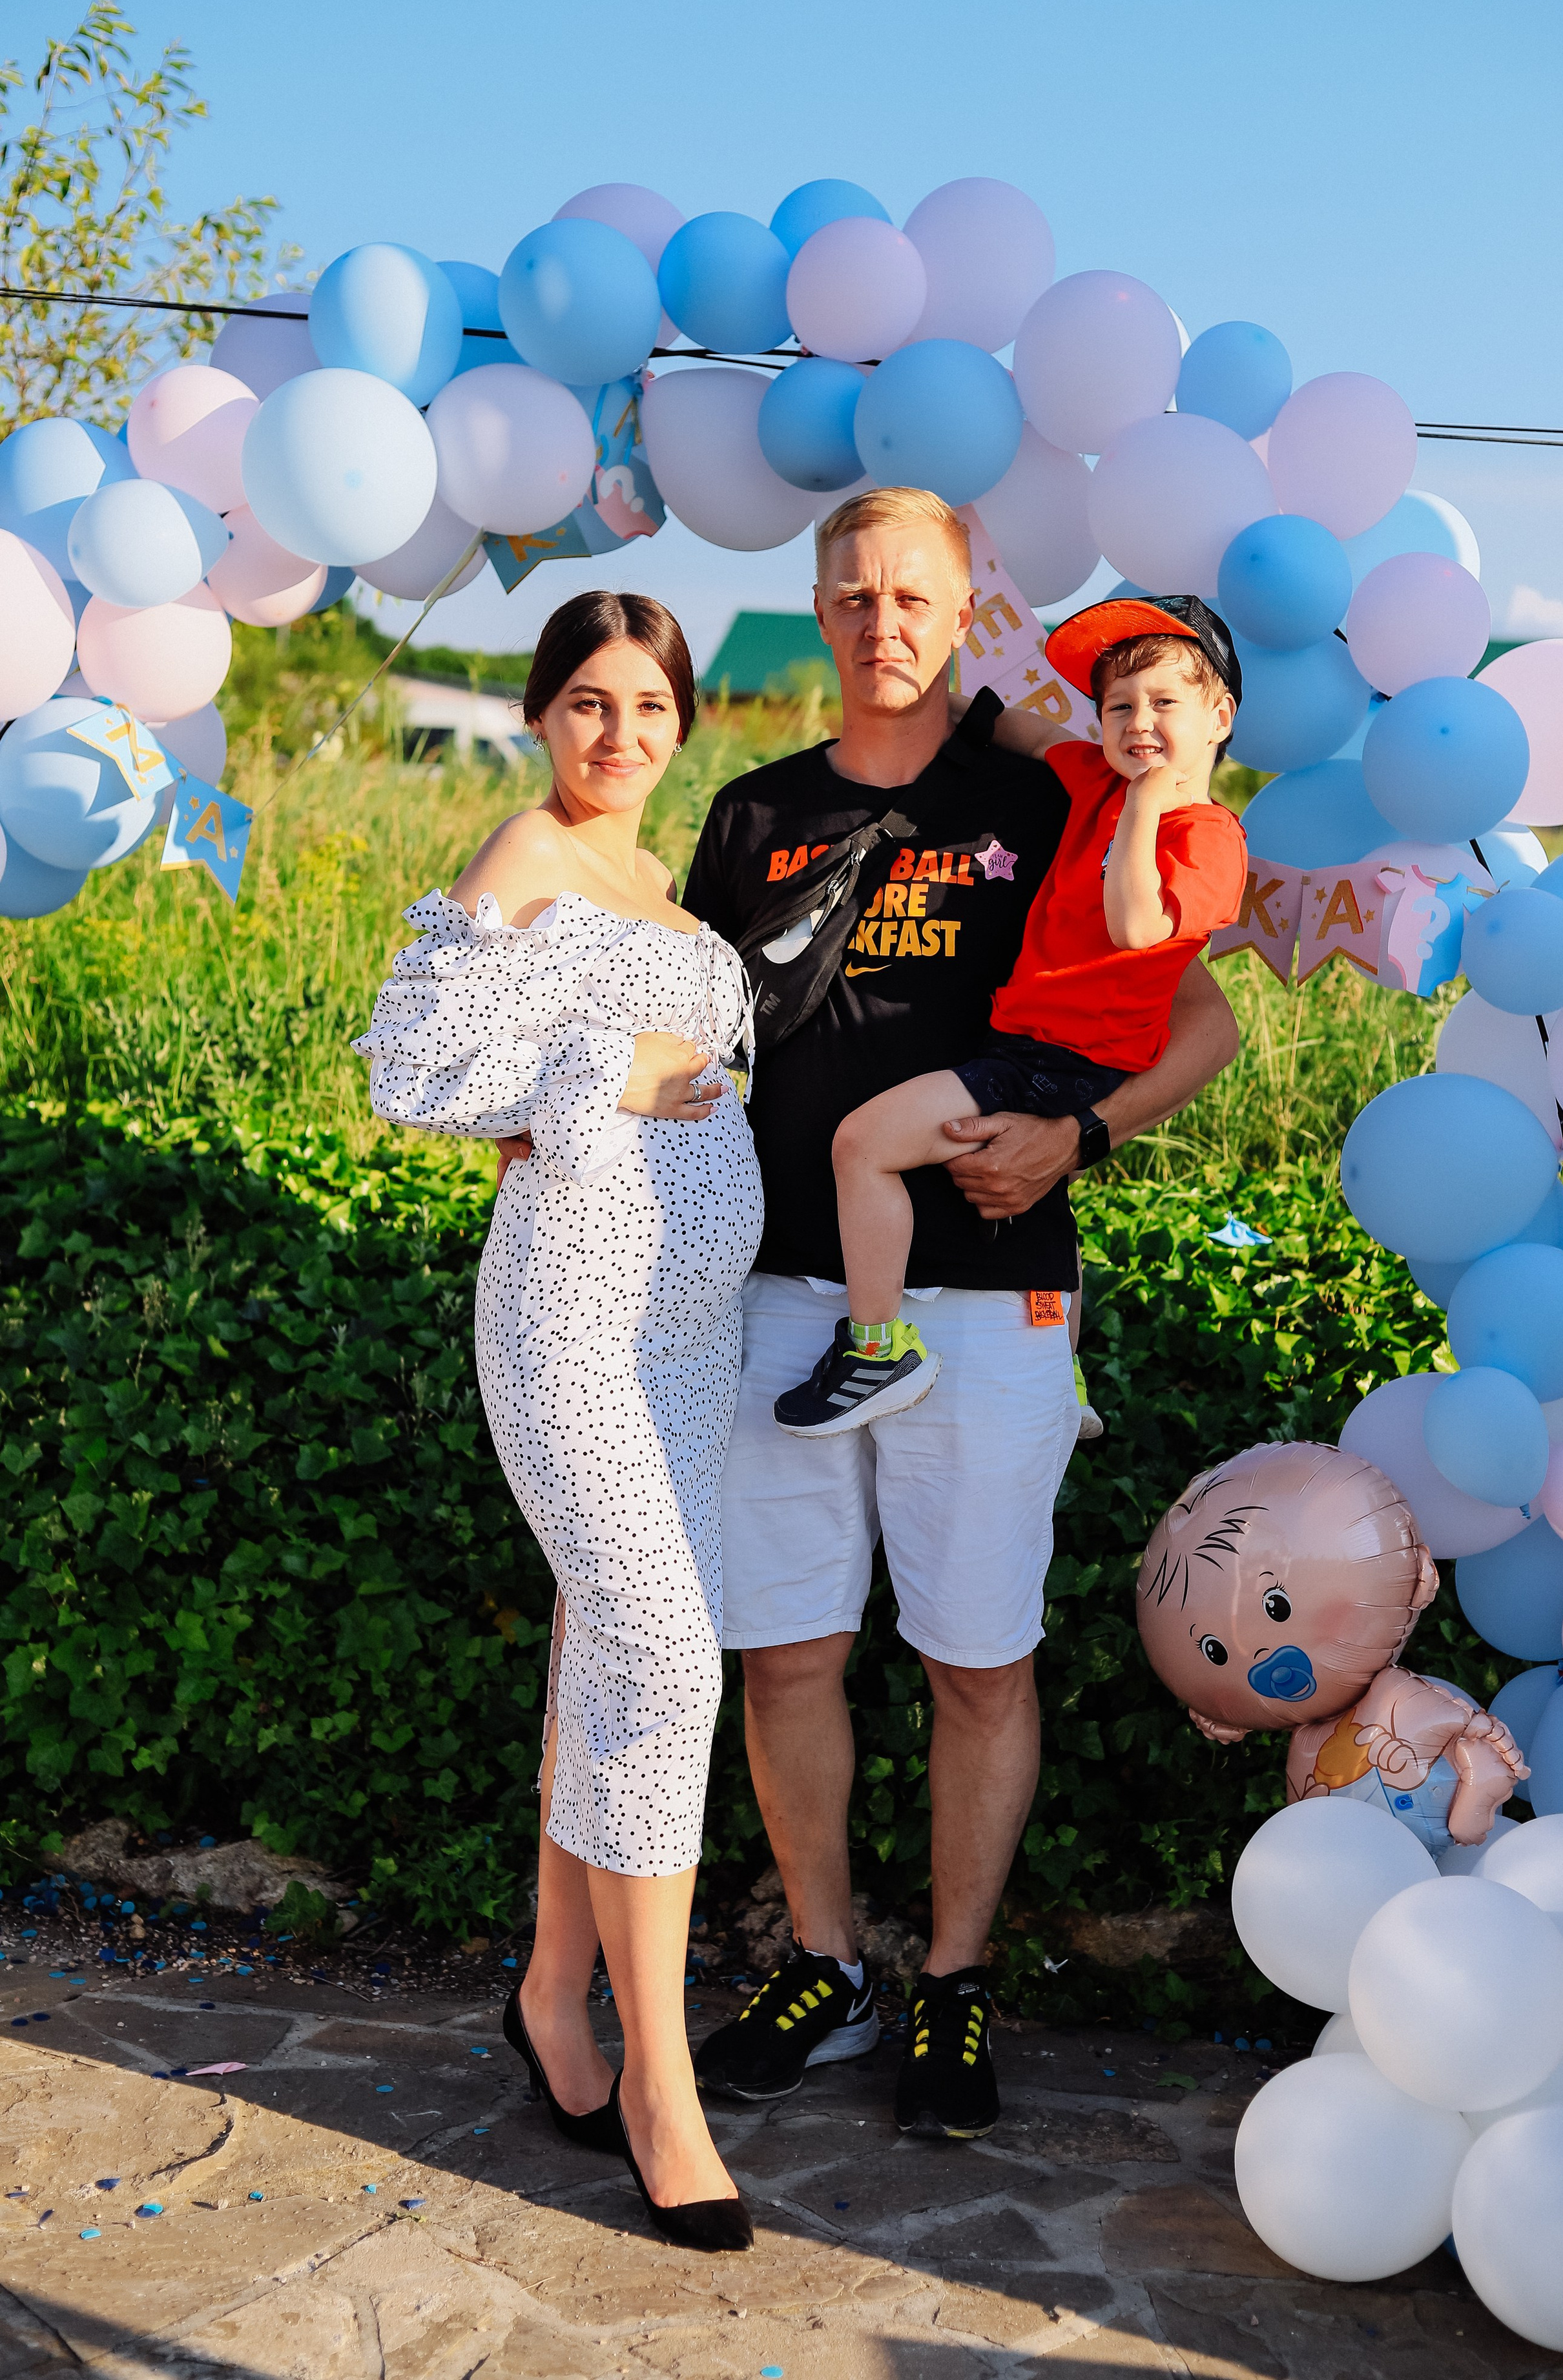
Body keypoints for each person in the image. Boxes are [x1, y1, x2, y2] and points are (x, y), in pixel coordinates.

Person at [682, 489, 1240, 2140]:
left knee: (975, 1660)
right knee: (788, 1655)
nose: (882, 621)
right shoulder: (754, 810)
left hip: (993, 1296)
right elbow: (684, 1030)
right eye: (852, 594)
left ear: (958, 607)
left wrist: (1083, 1135)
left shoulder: (1045, 794)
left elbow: (1197, 1020)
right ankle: (825, 1964)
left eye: (911, 594)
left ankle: (952, 1979)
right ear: (819, 607)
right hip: (787, 1289)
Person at [353, 590, 761, 2253]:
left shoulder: (662, 885)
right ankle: (664, 2085)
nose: (619, 734)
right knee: (669, 1663)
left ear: (681, 725)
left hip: (693, 1335)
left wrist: (660, 1080)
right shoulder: (523, 851)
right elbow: (408, 1069)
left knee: (609, 1652)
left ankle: (549, 1990)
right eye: (589, 701)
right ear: (539, 714)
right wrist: (606, 1073)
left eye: (649, 706)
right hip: (572, 1317)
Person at [772, 594, 1246, 1435]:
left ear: (1220, 717)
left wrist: (1144, 806)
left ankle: (877, 1348)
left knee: (865, 1145)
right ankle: (1065, 1377)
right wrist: (930, 698)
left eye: (1164, 702)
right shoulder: (1094, 778)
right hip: (1038, 1043)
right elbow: (1028, 733)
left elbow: (1136, 926)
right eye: (1119, 706)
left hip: (1066, 1058)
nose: (1139, 723)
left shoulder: (1206, 835)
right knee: (1023, 1203)